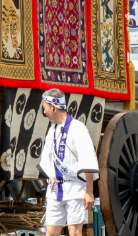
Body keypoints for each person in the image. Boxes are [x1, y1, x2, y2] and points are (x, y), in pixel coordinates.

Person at [39, 90, 98, 236]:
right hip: (55, 190)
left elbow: (87, 159)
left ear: (54, 108)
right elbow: (47, 161)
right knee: (51, 233)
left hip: (75, 189)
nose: (44, 110)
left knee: (74, 232)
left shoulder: (78, 128)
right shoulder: (51, 131)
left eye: (45, 106)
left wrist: (89, 191)